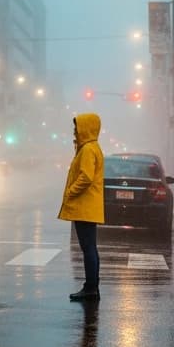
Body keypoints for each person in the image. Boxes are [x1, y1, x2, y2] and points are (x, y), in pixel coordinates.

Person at [58, 111, 105, 301]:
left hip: (84, 207)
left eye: (77, 127)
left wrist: (71, 191)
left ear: (86, 128)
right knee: (90, 248)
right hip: (88, 207)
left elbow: (86, 176)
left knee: (88, 248)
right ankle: (92, 286)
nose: (75, 131)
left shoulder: (87, 150)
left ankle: (91, 288)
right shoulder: (91, 147)